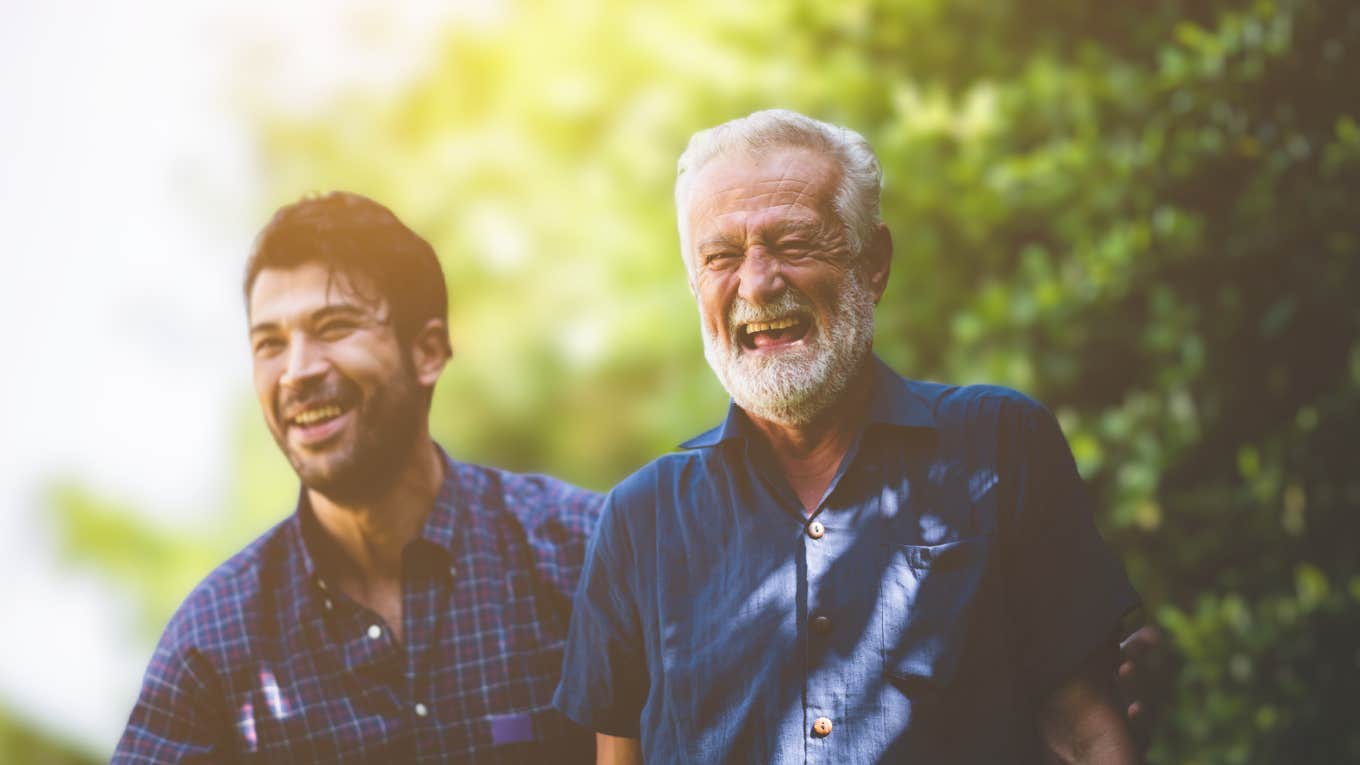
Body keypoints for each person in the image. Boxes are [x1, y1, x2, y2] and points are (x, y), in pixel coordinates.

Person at [554, 109, 1143, 763]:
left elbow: (1086, 734)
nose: (756, 283)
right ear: (695, 284)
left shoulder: (1000, 446)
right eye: (720, 256)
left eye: (794, 244)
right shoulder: (641, 518)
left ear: (875, 264)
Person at [112, 192, 597, 763]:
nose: (296, 371)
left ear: (428, 352)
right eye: (270, 343)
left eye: (334, 326)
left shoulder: (585, 556)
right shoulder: (215, 645)